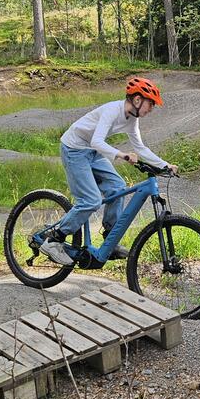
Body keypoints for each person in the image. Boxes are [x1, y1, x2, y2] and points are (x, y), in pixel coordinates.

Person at [39, 77, 178, 267]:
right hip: (74, 149)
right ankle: (54, 240)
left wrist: (165, 165)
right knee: (91, 200)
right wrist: (122, 155)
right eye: (150, 104)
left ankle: (110, 239)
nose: (151, 109)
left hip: (92, 152)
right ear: (137, 100)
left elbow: (140, 147)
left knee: (117, 187)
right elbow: (97, 141)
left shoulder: (131, 120)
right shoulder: (112, 110)